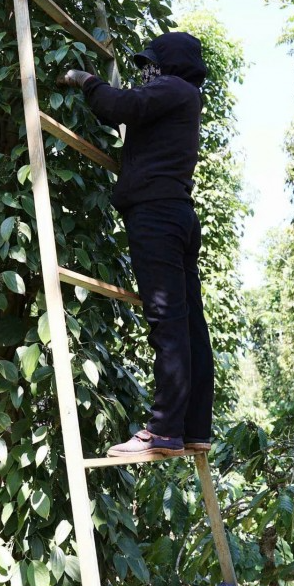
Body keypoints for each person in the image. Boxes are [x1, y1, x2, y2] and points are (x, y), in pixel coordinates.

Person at [58, 31, 213, 457]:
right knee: (189, 324)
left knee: (166, 320)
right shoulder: (185, 97)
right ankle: (195, 426)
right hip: (177, 212)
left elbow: (119, 107)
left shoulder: (173, 87)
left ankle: (163, 429)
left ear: (170, 64)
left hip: (157, 214)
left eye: (152, 66)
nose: (147, 74)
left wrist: (89, 81)